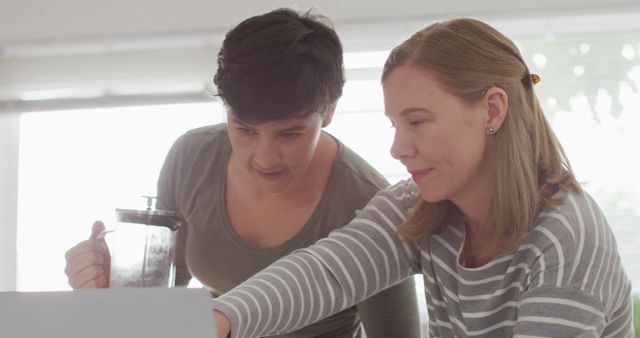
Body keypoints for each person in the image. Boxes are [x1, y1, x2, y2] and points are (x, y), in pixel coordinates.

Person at [210, 18, 635, 338]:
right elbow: (328, 272)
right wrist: (218, 319)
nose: (398, 148)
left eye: (418, 122)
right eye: (395, 125)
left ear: (492, 110)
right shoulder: (423, 203)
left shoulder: (565, 241)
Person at [63, 8, 422, 338]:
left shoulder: (369, 201)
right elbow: (156, 308)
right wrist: (114, 285)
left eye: (290, 133)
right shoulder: (191, 159)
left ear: (327, 111)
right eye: (245, 129)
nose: (265, 158)